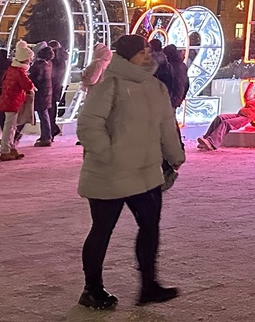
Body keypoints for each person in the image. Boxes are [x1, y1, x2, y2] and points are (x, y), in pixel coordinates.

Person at [77, 34, 184, 309]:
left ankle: (149, 285)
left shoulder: (155, 86)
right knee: (102, 229)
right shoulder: (109, 83)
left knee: (149, 227)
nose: (148, 55)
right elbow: (89, 123)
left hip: (146, 171)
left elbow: (166, 125)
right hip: (111, 172)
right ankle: (92, 289)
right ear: (127, 56)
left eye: (148, 50)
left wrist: (174, 156)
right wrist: (107, 154)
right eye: (142, 51)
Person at [196, 77, 255, 150]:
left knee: (226, 123)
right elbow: (246, 96)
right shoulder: (253, 99)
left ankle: (211, 143)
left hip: (247, 118)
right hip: (240, 115)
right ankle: (205, 139)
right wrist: (251, 83)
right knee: (219, 118)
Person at [0, 41, 35, 161]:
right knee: (9, 127)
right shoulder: (20, 72)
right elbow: (27, 85)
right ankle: (5, 150)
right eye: (29, 59)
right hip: (12, 101)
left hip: (9, 99)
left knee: (11, 126)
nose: (30, 61)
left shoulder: (12, 69)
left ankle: (11, 148)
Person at [29, 46, 57, 146]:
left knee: (26, 113)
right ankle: (47, 136)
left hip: (39, 93)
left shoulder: (38, 65)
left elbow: (34, 78)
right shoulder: (49, 64)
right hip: (46, 93)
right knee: (44, 114)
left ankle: (46, 137)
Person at [49, 39, 69, 136]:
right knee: (53, 105)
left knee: (50, 107)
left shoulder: (54, 59)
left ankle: (52, 128)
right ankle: (52, 127)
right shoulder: (62, 57)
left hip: (52, 84)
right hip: (59, 84)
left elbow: (54, 73)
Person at [162, 45, 189, 113]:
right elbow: (186, 83)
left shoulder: (168, 66)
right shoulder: (182, 65)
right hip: (177, 96)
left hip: (170, 98)